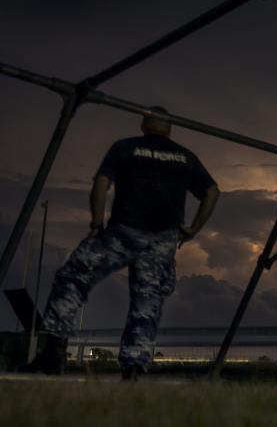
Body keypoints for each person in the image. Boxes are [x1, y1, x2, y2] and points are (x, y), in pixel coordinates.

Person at [19, 106, 219, 381]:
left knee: (73, 277)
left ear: (143, 124)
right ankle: (134, 368)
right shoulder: (185, 157)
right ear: (170, 128)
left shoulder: (125, 147)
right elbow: (212, 191)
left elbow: (102, 183)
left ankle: (53, 351)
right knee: (147, 301)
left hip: (123, 232)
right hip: (161, 240)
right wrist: (193, 229)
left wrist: (96, 223)